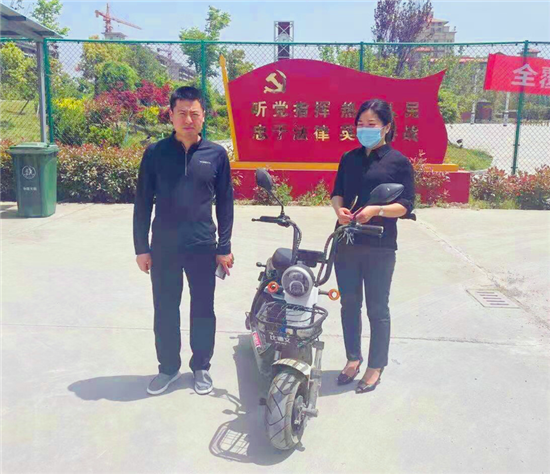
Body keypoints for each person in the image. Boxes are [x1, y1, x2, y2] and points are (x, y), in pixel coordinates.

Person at [133, 86, 234, 396]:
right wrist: (141, 248)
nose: (188, 119)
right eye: (182, 113)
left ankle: (201, 366)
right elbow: (142, 202)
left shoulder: (216, 155)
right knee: (165, 308)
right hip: (164, 246)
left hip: (202, 245)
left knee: (203, 308)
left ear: (203, 116)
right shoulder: (155, 153)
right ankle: (168, 368)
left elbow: (226, 204)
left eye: (194, 113)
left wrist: (224, 247)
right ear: (171, 116)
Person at [331, 98, 415, 394]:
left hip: (380, 245)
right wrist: (338, 211)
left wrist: (376, 210)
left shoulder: (398, 162)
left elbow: (406, 205)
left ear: (386, 127)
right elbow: (337, 193)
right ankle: (353, 358)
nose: (364, 129)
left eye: (372, 124)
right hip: (347, 242)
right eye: (360, 124)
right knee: (349, 304)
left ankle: (376, 366)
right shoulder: (349, 158)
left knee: (377, 308)